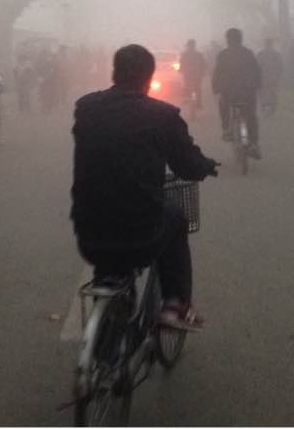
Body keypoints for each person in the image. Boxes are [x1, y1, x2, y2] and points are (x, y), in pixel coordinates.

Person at [71, 44, 218, 331]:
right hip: (140, 235)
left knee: (106, 225)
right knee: (176, 218)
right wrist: (205, 166)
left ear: (114, 72)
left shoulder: (86, 108)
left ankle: (105, 313)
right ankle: (175, 304)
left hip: (88, 235)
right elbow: (187, 165)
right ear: (149, 77)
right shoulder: (162, 115)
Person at [212, 28, 262, 158]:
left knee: (223, 105)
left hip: (229, 93)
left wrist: (215, 87)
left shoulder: (223, 54)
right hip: (247, 93)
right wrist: (258, 85)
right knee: (251, 116)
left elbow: (217, 73)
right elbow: (257, 71)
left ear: (227, 40)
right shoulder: (248, 53)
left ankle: (226, 129)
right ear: (241, 39)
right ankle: (254, 143)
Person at [257, 39, 283, 114]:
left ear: (265, 44)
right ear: (272, 45)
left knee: (263, 93)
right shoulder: (277, 54)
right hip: (274, 77)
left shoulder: (260, 54)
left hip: (263, 77)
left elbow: (256, 67)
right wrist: (279, 76)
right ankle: (272, 108)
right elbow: (281, 67)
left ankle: (264, 107)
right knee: (273, 92)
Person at [180, 40, 207, 109]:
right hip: (196, 75)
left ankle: (187, 99)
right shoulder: (198, 54)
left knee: (188, 86)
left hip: (190, 75)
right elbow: (204, 64)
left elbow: (182, 64)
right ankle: (199, 103)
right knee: (197, 88)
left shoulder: (185, 54)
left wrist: (181, 70)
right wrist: (203, 72)